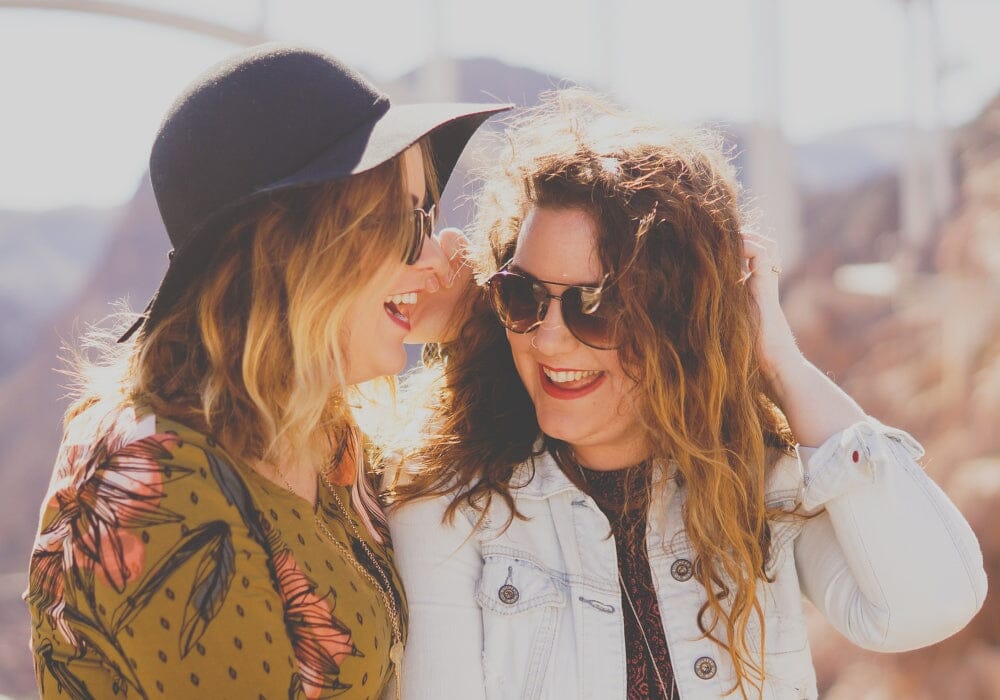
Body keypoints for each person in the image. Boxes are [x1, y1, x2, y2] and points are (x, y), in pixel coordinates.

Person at [386, 91, 988, 699]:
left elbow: (929, 604)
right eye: (523, 296)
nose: (549, 338)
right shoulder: (452, 507)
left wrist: (779, 358)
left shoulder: (756, 479)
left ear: (677, 318)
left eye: (595, 305)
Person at [24, 43, 508, 699]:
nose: (435, 255)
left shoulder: (327, 437)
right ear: (289, 248)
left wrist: (476, 327)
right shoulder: (152, 479)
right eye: (405, 221)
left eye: (429, 218)